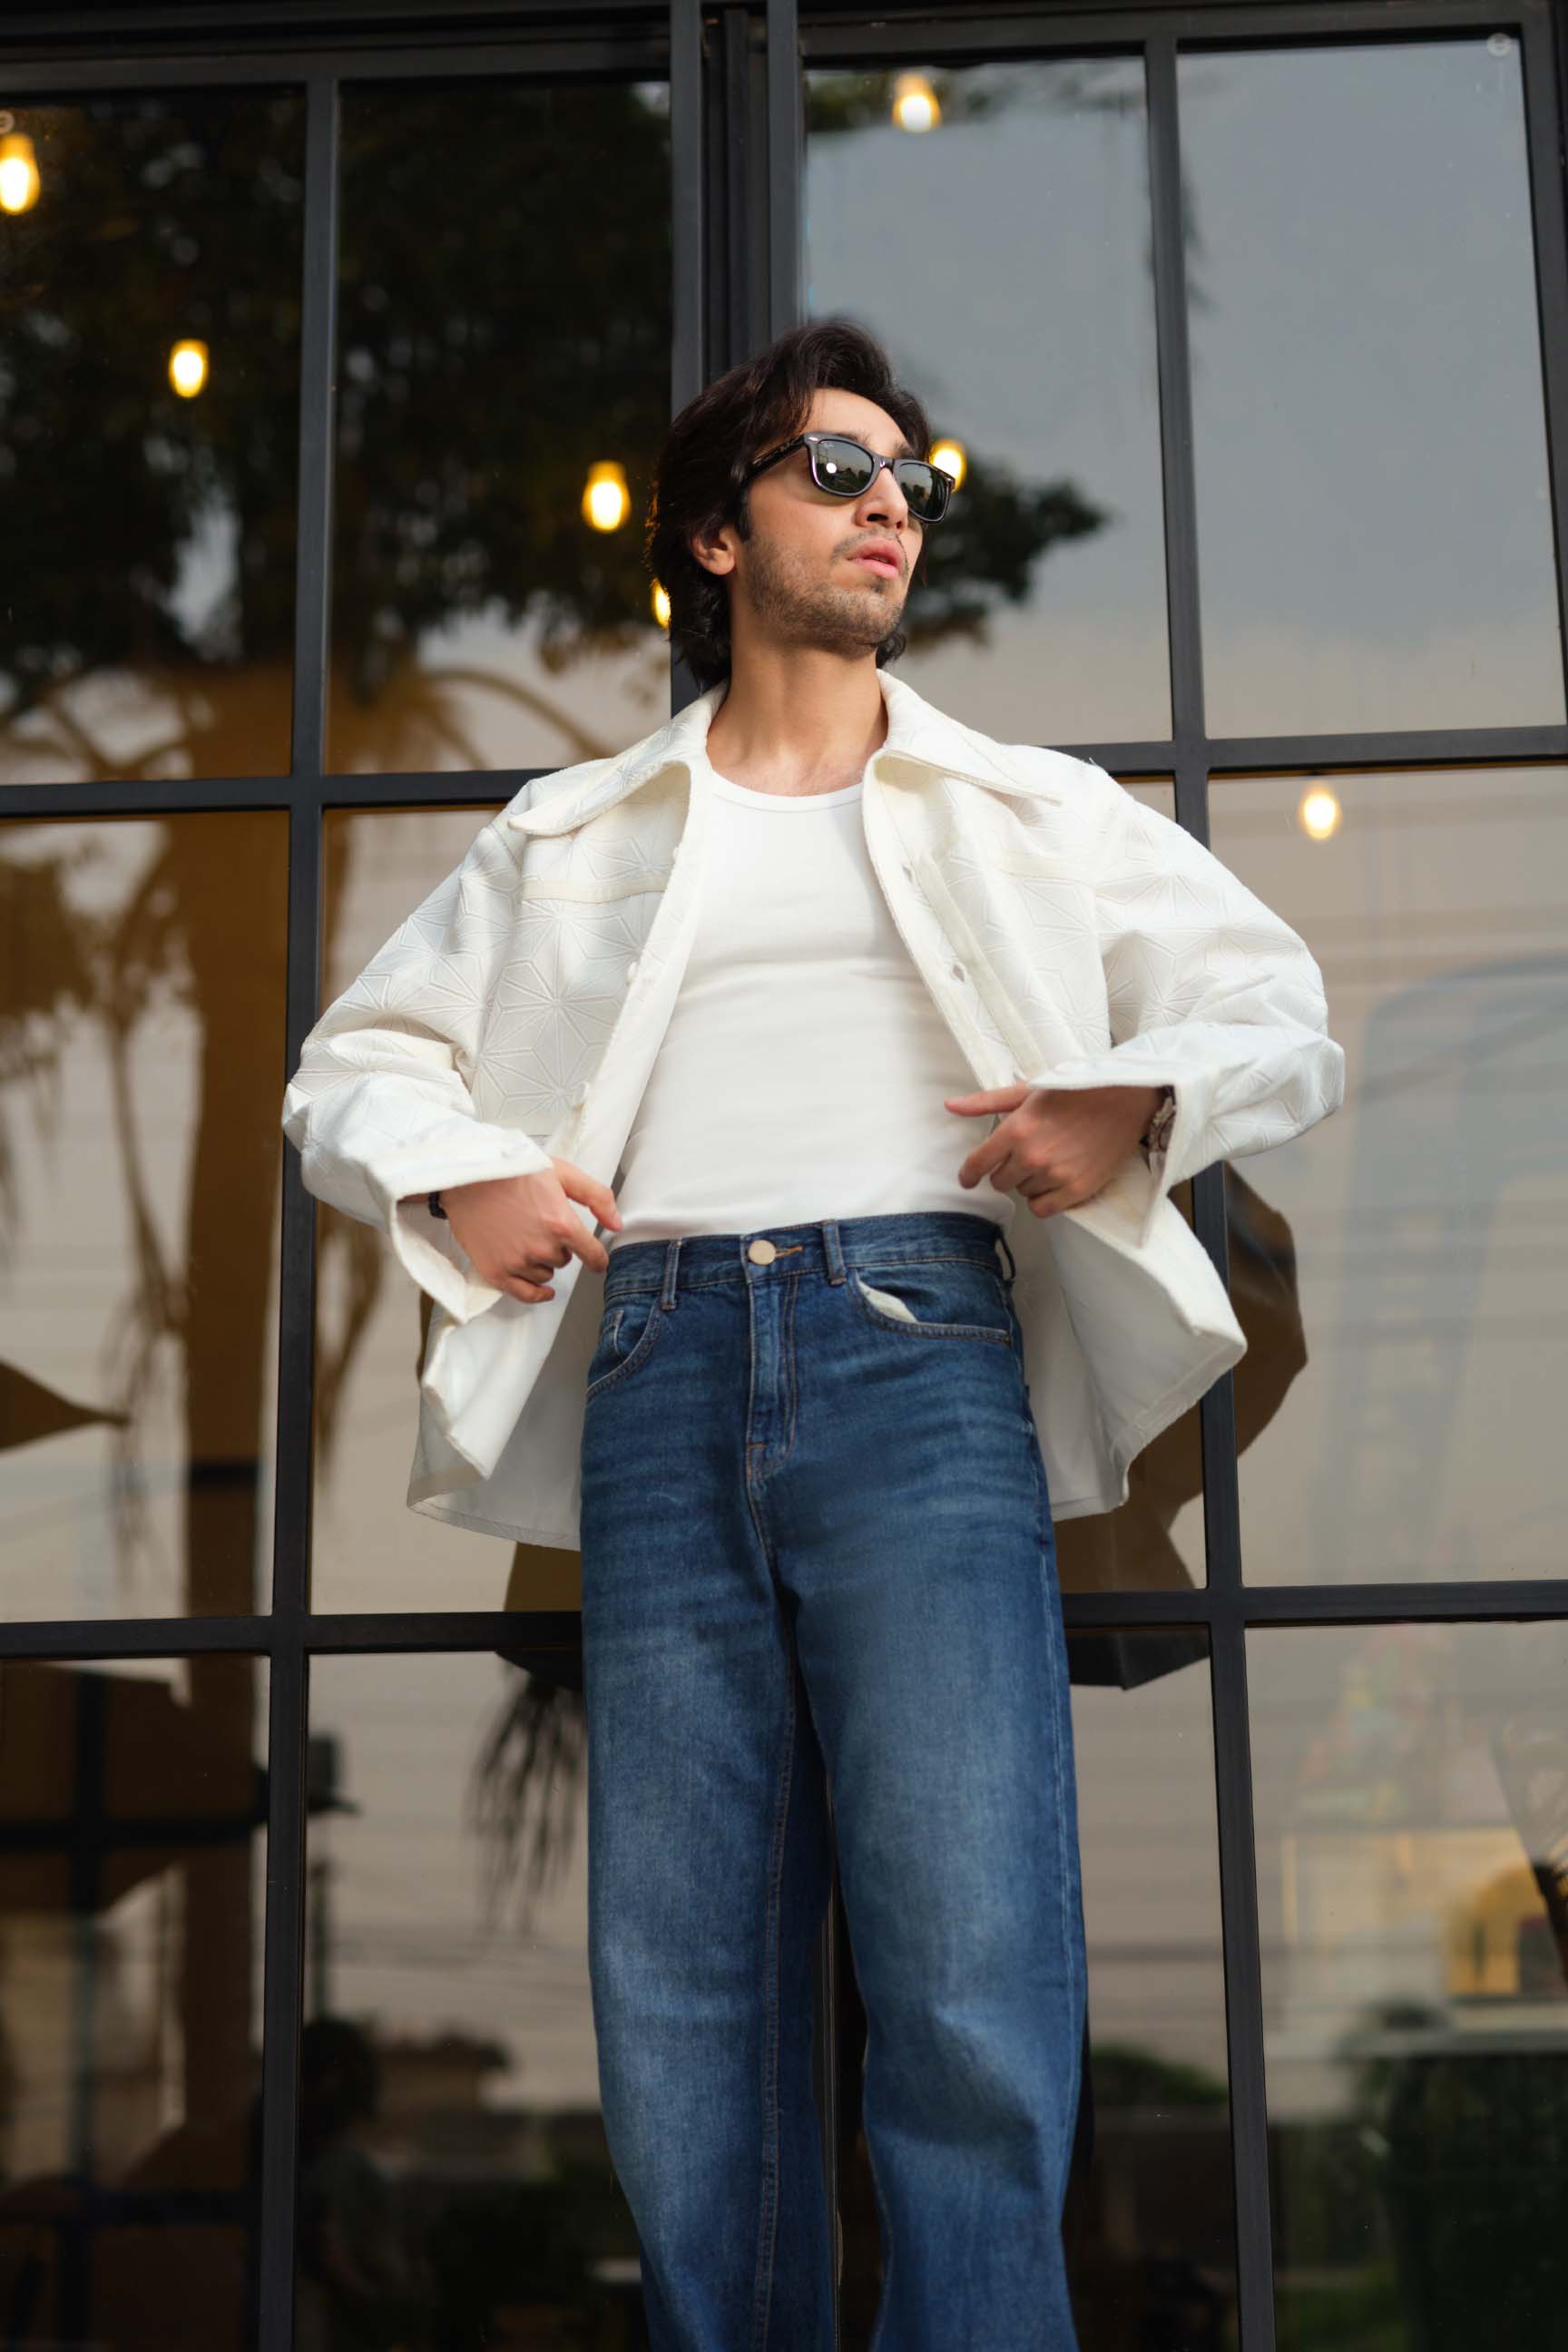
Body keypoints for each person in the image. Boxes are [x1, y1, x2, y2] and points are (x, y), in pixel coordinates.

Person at [283, 316, 1345, 2350]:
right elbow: (354, 1071)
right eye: (838, 474)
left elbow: (1270, 1002)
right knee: (686, 1996)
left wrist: (1132, 1098)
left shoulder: (1028, 807)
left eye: (913, 484)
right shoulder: (568, 832)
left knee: (964, 1967)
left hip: (916, 1354)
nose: (891, 513)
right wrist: (463, 1180)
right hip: (659, 1363)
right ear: (710, 534)